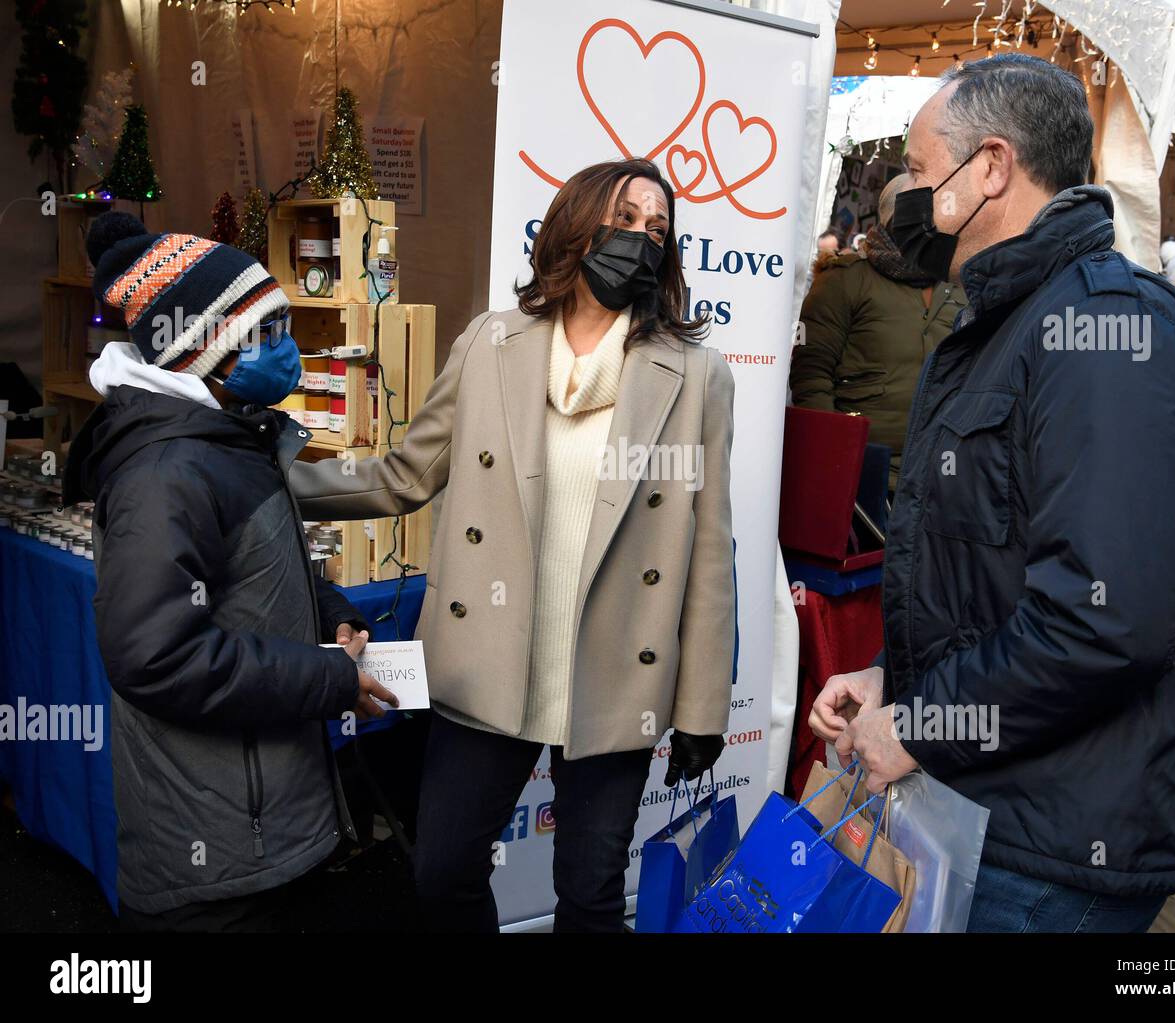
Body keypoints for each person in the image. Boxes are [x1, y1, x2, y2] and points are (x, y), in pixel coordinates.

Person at [808, 53, 1175, 933]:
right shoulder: (1007, 322)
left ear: (991, 166)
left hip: (1056, 851)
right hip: (997, 814)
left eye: (921, 172)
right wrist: (897, 678)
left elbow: (1102, 620)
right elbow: (997, 577)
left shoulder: (1113, 331)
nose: (907, 197)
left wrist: (921, 725)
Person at [289, 157, 737, 933]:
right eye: (624, 219)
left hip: (613, 674)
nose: (641, 237)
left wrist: (702, 705)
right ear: (575, 224)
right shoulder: (492, 343)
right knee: (442, 872)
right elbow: (405, 474)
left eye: (657, 228)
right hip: (487, 661)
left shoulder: (697, 375)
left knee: (592, 894)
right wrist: (277, 480)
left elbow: (707, 549)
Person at [63, 212, 394, 931]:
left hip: (263, 826)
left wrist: (330, 610)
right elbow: (159, 654)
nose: (286, 350)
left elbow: (260, 573)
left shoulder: (226, 438)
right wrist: (328, 677)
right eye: (265, 333)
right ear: (199, 348)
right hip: (214, 857)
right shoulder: (164, 473)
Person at [791, 173, 965, 488]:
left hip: (939, 476)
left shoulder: (959, 285)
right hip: (860, 476)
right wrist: (833, 458)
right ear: (890, 219)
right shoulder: (843, 281)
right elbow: (811, 376)